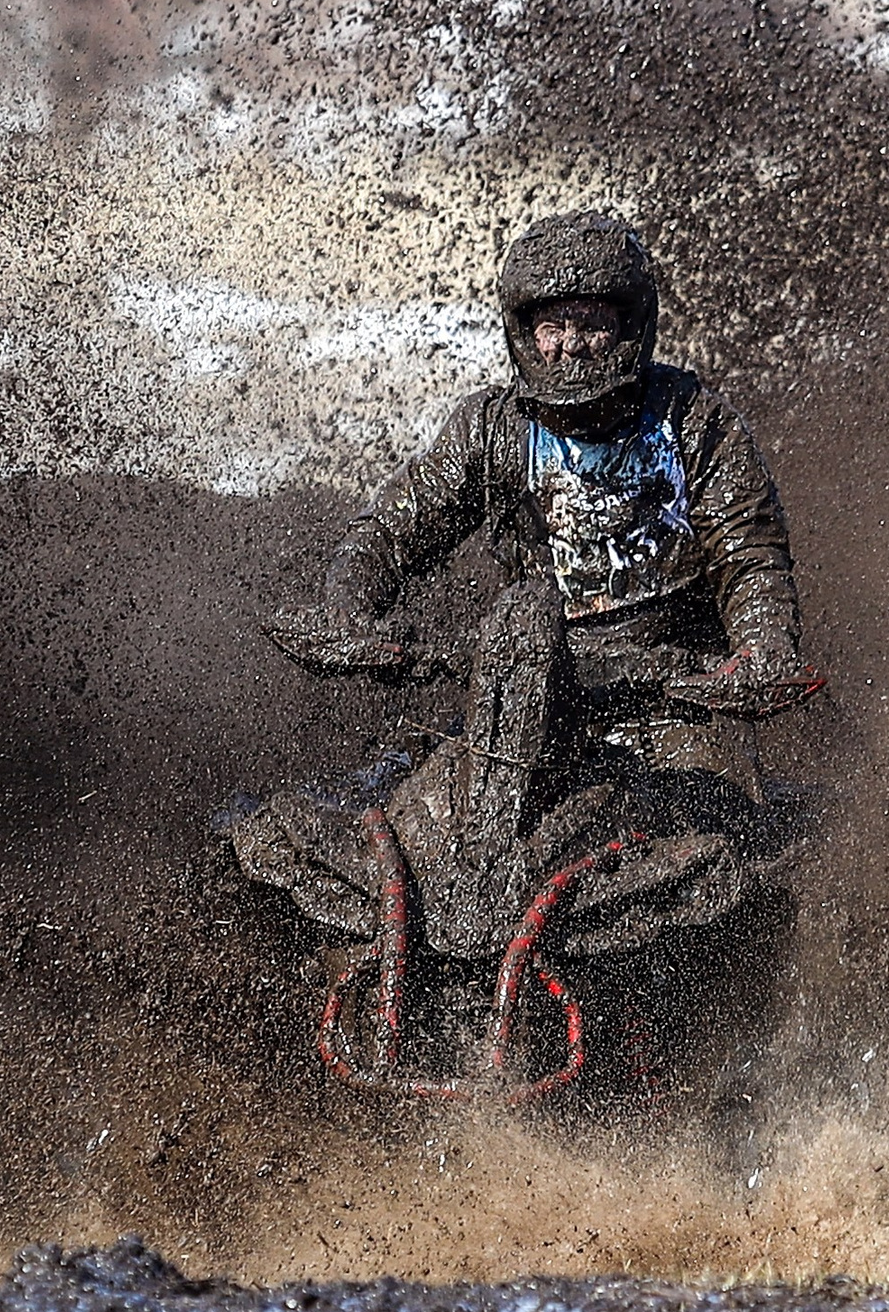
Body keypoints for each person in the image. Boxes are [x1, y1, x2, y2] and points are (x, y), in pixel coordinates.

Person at [231, 212, 820, 1084]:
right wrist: (352, 605)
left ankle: (729, 1058)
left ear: (634, 324)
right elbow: (387, 532)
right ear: (521, 331)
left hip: (669, 700)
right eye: (553, 323)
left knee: (734, 852)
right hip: (519, 694)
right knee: (399, 829)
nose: (573, 345)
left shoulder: (696, 422)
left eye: (593, 321)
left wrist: (762, 648)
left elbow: (751, 556)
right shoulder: (487, 428)